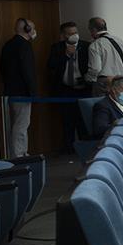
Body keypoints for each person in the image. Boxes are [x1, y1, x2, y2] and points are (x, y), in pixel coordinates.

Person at [47, 20, 89, 152]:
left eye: (75, 32)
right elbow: (51, 66)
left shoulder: (86, 46)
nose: (74, 35)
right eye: (70, 33)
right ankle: (68, 151)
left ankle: (86, 150)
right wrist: (66, 55)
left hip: (83, 90)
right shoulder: (57, 47)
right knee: (67, 122)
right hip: (65, 90)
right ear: (64, 35)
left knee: (83, 122)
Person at [0, 18, 37, 158]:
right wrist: (32, 91)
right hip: (22, 92)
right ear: (27, 29)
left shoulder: (8, 45)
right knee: (21, 125)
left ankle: (17, 153)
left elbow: (2, 68)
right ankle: (19, 155)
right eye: (32, 28)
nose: (34, 31)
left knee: (15, 124)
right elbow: (28, 71)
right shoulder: (24, 45)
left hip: (10, 90)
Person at [85, 17, 123, 92]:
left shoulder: (95, 45)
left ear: (93, 29)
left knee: (102, 103)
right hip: (121, 80)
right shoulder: (118, 40)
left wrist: (88, 79)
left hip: (104, 82)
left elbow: (95, 68)